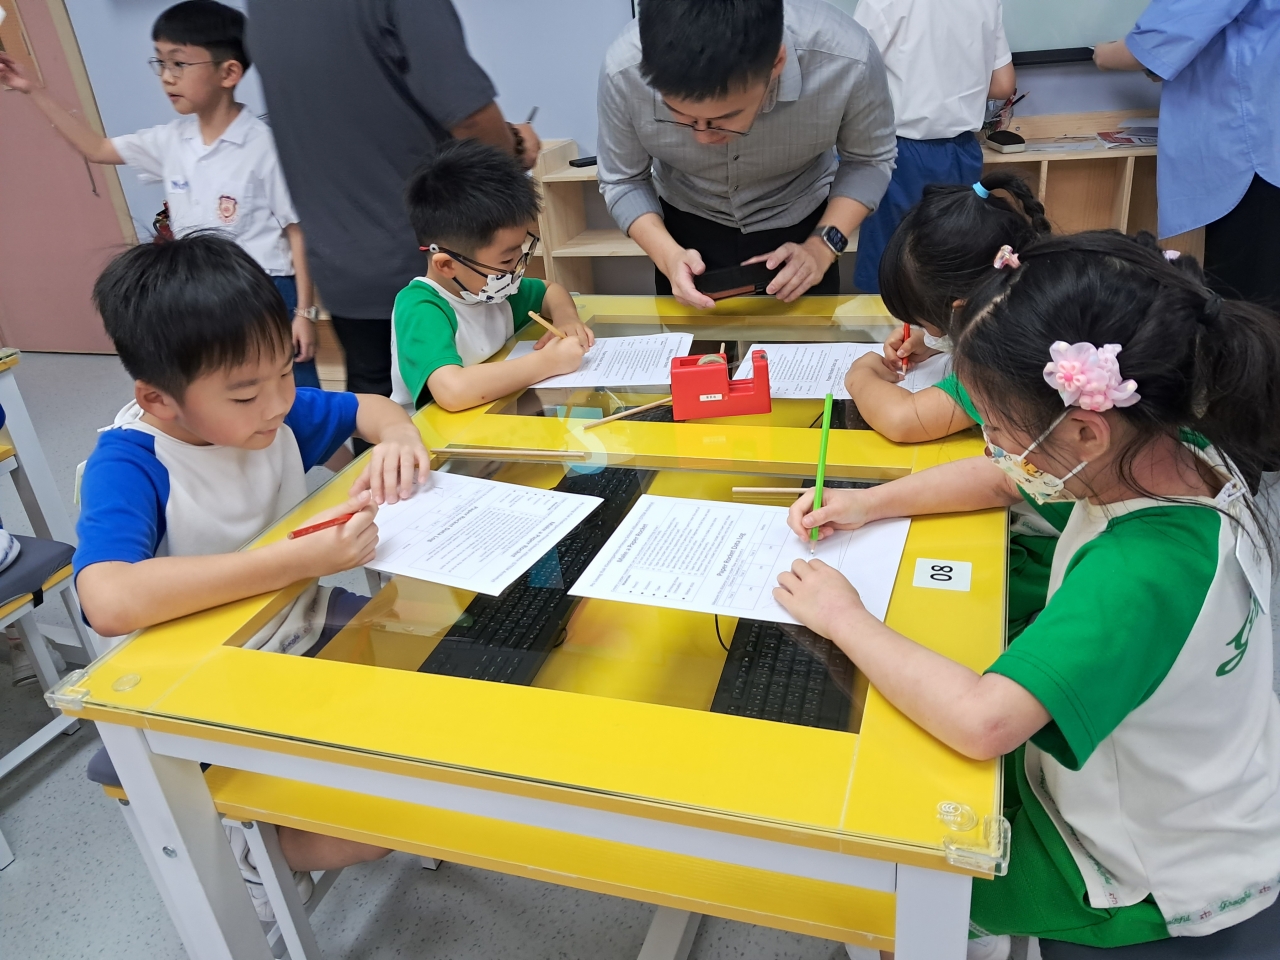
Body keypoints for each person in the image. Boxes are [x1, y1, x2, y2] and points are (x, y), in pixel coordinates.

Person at [776, 231, 1280, 958]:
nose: (990, 444)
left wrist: (842, 616)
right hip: (1205, 781)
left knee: (880, 861)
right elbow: (1001, 479)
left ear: (1084, 431)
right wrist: (869, 504)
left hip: (1147, 866)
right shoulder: (1173, 449)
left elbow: (984, 722)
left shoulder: (1140, 570)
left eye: (997, 426)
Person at [76, 234, 431, 914]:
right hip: (200, 684)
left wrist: (400, 439)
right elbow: (108, 600)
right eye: (245, 394)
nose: (275, 405)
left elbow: (372, 409)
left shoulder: (272, 411)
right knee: (372, 828)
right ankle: (243, 849)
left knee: (442, 691)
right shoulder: (131, 463)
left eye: (284, 375)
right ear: (158, 400)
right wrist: (298, 561)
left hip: (296, 630)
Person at [0, 0, 322, 388]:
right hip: (198, 289)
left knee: (292, 388)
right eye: (161, 63)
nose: (167, 77)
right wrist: (32, 89)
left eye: (179, 63)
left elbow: (297, 232)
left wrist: (304, 313)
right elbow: (96, 148)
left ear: (229, 72)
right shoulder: (170, 141)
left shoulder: (262, 146)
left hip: (264, 289)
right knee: (227, 387)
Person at [245, 0, 541, 411]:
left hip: (339, 260)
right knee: (466, 395)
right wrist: (512, 151)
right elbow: (469, 116)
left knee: (374, 406)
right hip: (418, 250)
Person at [597, 0, 896, 308]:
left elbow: (868, 161)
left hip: (803, 225)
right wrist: (668, 256)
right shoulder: (624, 70)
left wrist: (822, 247)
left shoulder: (848, 59)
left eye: (724, 118)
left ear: (776, 63)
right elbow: (623, 179)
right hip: (681, 228)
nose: (703, 138)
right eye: (682, 117)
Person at [1094, 0, 1280, 306]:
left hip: (1254, 152)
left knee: (1253, 311)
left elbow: (1161, 38)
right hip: (1265, 140)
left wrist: (1104, 54)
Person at [845, 171, 1050, 444]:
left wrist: (860, 376)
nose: (924, 330)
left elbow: (903, 420)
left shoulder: (1005, 366)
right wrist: (934, 341)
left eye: (925, 321)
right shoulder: (1041, 301)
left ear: (960, 310)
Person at [392, 141, 592, 413]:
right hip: (436, 434)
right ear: (447, 265)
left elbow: (550, 291)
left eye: (520, 251)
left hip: (496, 418)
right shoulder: (422, 308)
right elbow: (453, 392)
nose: (516, 269)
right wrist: (549, 362)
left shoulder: (491, 291)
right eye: (506, 260)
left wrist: (566, 318)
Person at [851, 0, 1016, 293]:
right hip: (962, 152)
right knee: (953, 267)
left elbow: (851, 74)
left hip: (899, 155)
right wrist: (954, 91)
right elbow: (1004, 84)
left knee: (891, 271)